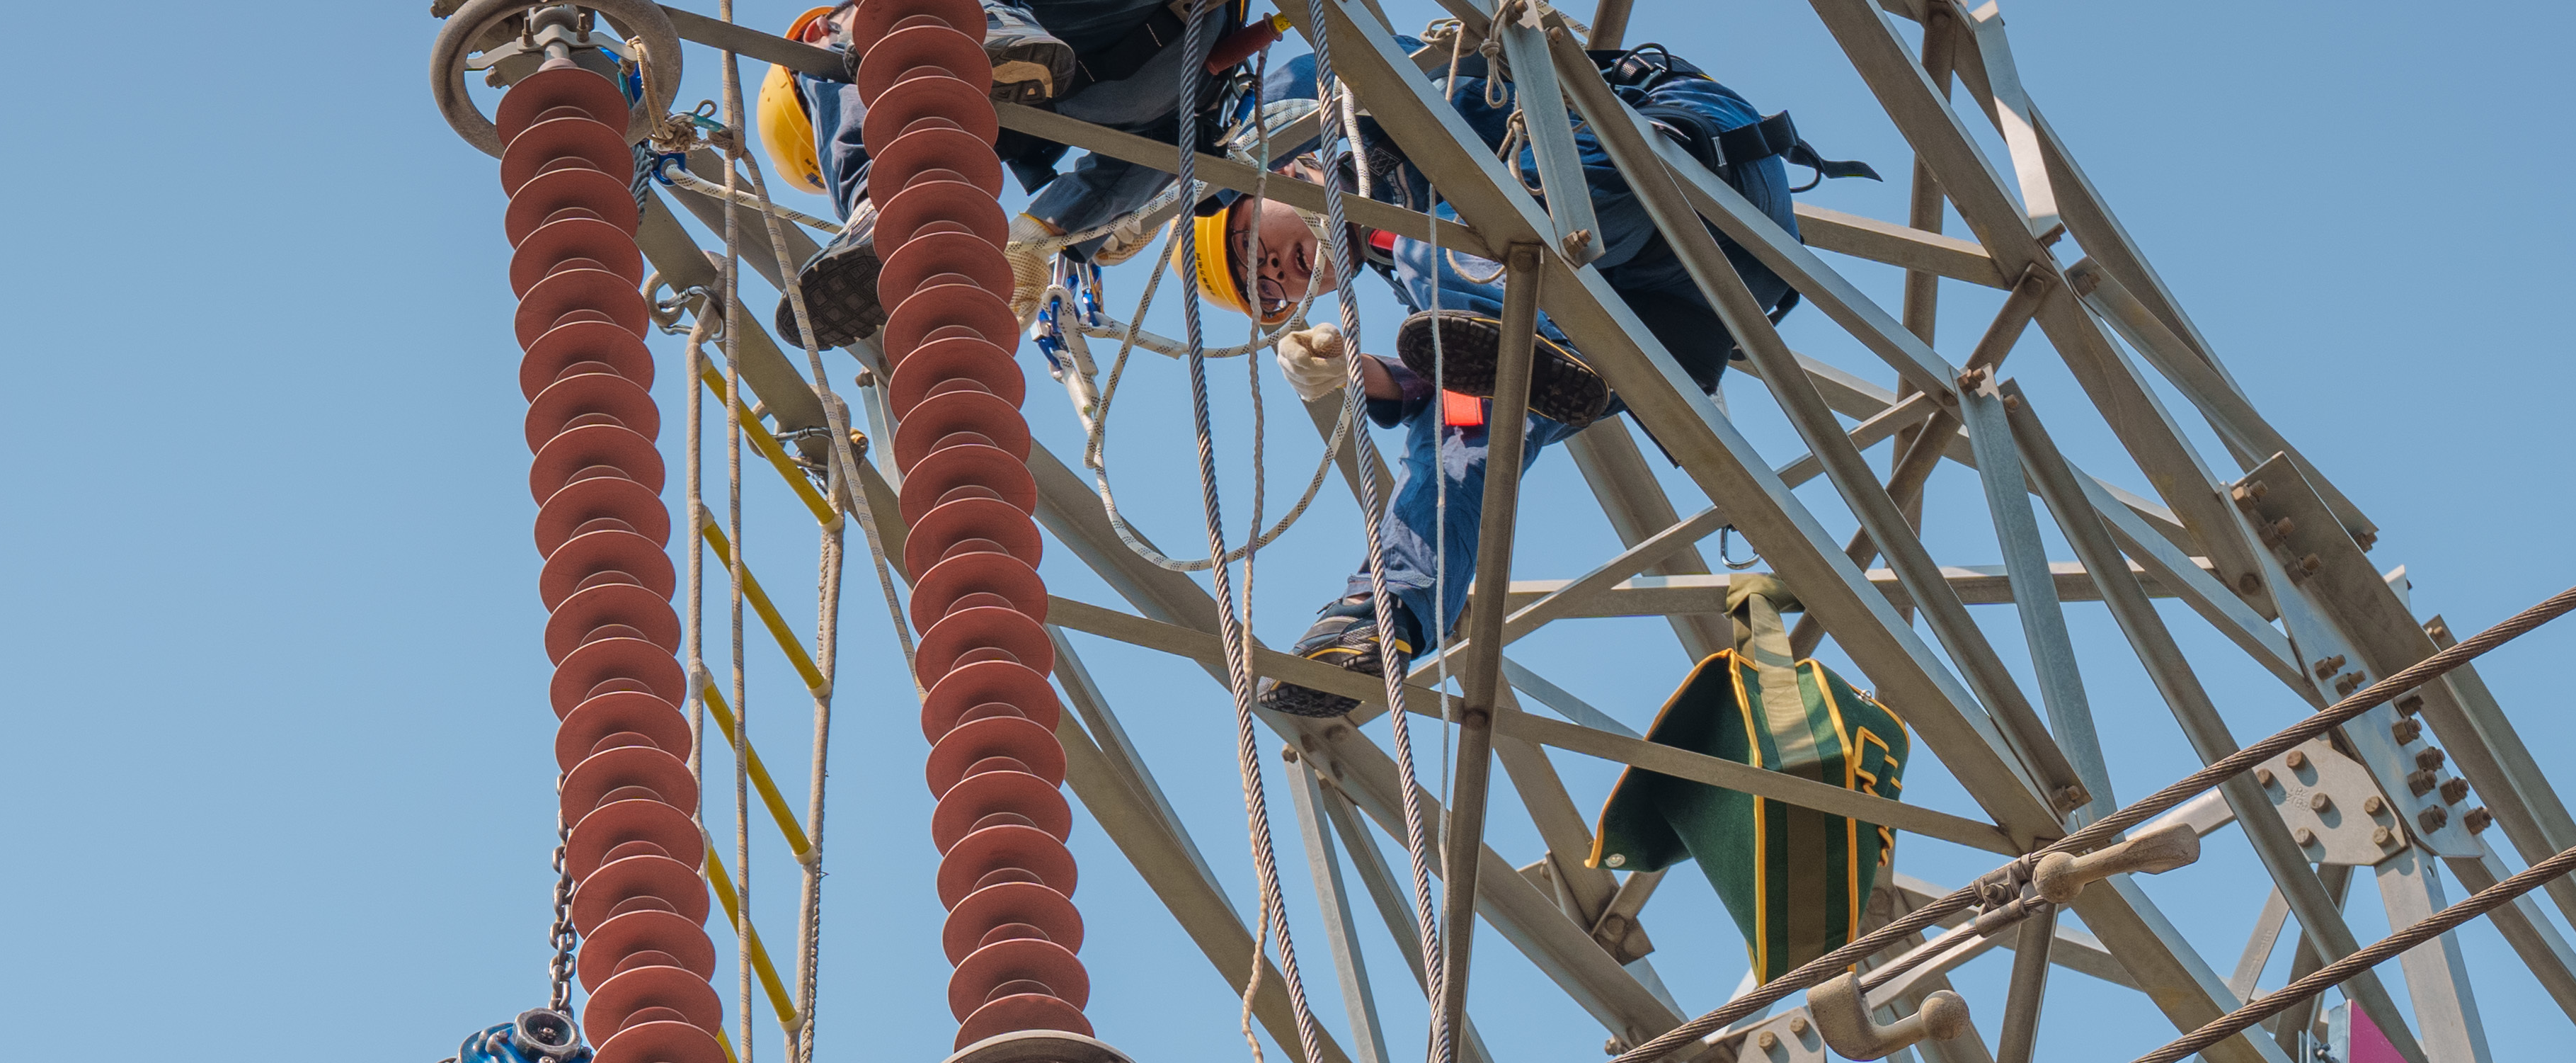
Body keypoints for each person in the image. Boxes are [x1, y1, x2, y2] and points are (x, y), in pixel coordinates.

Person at [1243, 33, 1862, 723]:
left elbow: (1409, 71)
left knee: (1440, 257)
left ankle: (1525, 341)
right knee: (1460, 418)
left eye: (1249, 245)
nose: (1272, 274)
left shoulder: (1362, 116)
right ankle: (1387, 614)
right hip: (1680, 297)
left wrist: (1232, 119)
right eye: (1264, 295)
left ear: (1273, 162)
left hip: (1674, 161)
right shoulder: (1401, 249)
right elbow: (1455, 365)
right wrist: (1369, 375)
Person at [766, 1, 1247, 348]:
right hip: (1180, 67)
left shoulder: (851, 36)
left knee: (850, 54)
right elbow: (1161, 150)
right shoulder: (1018, 95)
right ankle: (894, 205)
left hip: (1145, 48)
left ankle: (880, 202)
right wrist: (1045, 230)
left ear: (816, 27)